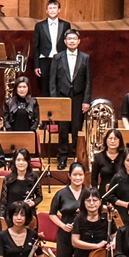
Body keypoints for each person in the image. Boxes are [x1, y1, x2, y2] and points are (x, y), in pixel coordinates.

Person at [45, 29, 90, 166]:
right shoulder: (57, 57)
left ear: (79, 41)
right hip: (62, 98)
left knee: (76, 129)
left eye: (74, 39)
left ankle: (76, 157)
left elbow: (88, 81)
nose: (72, 41)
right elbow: (52, 81)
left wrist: (86, 101)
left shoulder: (85, 58)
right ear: (65, 41)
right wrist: (54, 101)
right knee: (63, 130)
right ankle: (62, 157)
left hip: (78, 98)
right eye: (69, 39)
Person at [31, 0, 69, 83]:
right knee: (44, 85)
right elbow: (36, 46)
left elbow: (68, 44)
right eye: (50, 8)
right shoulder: (39, 26)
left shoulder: (65, 25)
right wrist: (36, 66)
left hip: (60, 59)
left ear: (59, 10)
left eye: (54, 8)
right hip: (44, 59)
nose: (52, 10)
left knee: (60, 84)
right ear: (46, 11)